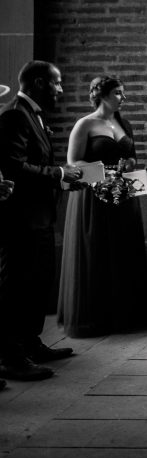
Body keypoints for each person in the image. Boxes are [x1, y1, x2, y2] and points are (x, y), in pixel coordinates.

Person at [0, 61, 83, 383]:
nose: (60, 90)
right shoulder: (14, 115)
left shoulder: (32, 114)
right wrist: (60, 173)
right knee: (16, 287)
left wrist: (63, 180)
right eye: (57, 83)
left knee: (37, 282)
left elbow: (36, 164)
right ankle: (11, 356)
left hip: (40, 216)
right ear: (38, 82)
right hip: (20, 219)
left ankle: (31, 343)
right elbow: (14, 166)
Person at [58, 76, 147, 337]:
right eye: (118, 93)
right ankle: (96, 317)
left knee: (123, 250)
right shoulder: (85, 124)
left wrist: (129, 164)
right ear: (102, 95)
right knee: (97, 249)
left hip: (124, 194)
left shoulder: (124, 124)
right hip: (94, 196)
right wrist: (102, 177)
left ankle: (124, 315)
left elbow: (131, 157)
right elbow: (73, 162)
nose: (124, 97)